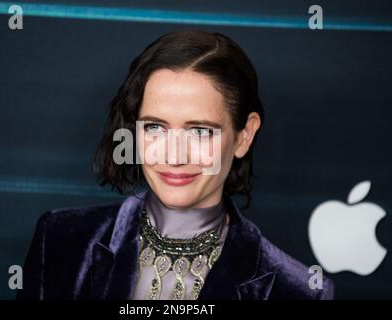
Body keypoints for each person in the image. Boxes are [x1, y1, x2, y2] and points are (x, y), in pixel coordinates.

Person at [17, 29, 334, 300]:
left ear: (244, 135)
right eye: (155, 127)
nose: (175, 155)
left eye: (200, 131)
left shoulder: (299, 291)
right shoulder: (60, 241)